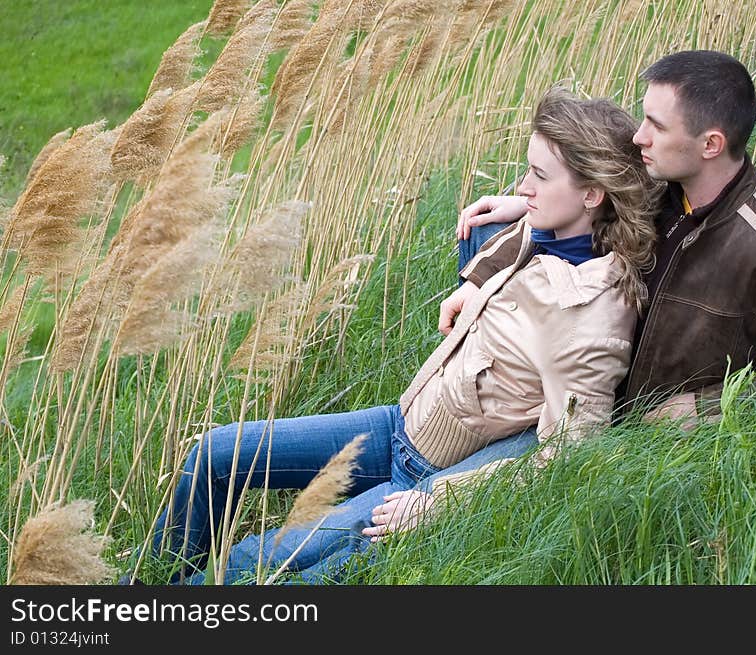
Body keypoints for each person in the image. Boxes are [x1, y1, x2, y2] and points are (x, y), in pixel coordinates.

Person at [148, 86, 661, 584]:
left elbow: (567, 456)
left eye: (537, 177)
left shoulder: (587, 319)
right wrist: (506, 227)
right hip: (398, 424)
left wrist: (437, 501)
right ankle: (144, 583)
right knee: (216, 456)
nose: (522, 186)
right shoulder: (554, 229)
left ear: (592, 193)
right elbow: (537, 233)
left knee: (250, 565)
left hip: (420, 478)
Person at [448, 50, 756, 424]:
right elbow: (571, 194)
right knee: (486, 228)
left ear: (710, 144)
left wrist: (707, 406)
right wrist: (483, 273)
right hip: (566, 384)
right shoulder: (653, 184)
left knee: (431, 492)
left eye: (656, 125)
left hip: (617, 430)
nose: (639, 137)